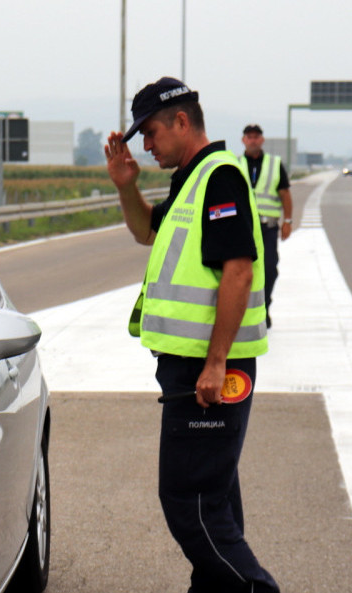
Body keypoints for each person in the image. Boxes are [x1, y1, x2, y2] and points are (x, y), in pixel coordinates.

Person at [105, 77, 279, 593]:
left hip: (207, 371)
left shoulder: (219, 176)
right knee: (214, 499)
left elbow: (239, 272)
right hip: (188, 367)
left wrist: (215, 362)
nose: (147, 145)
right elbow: (146, 231)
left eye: (152, 133)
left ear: (182, 122)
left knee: (189, 502)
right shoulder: (191, 178)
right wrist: (125, 185)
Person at [239, 124, 293, 328]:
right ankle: (243, 311)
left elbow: (285, 194)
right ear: (243, 140)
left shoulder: (274, 164)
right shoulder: (235, 163)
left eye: (256, 137)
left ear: (262, 140)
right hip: (241, 229)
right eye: (249, 137)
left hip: (267, 228)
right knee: (240, 271)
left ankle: (264, 307)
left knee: (269, 270)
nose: (253, 140)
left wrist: (287, 221)